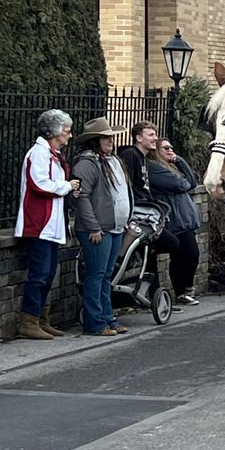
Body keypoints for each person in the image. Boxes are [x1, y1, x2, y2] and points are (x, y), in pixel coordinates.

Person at [14, 109, 81, 340]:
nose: (69, 135)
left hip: (51, 223)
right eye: (66, 131)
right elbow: (39, 184)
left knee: (49, 272)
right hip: (38, 223)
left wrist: (67, 186)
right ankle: (28, 319)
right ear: (54, 131)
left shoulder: (53, 155)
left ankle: (41, 318)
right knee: (39, 273)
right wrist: (66, 186)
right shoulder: (39, 154)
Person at [72, 118, 134, 336]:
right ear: (94, 141)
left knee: (106, 275)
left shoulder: (111, 161)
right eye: (105, 137)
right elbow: (82, 197)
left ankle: (107, 318)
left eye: (110, 136)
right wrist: (93, 227)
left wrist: (124, 218)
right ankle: (95, 323)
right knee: (96, 275)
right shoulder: (87, 164)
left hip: (114, 226)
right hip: (99, 228)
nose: (110, 140)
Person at [148, 137, 202, 307]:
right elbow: (181, 185)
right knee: (188, 254)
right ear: (157, 151)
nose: (170, 150)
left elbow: (191, 181)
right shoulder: (155, 169)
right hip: (174, 220)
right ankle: (182, 290)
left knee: (187, 256)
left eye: (171, 147)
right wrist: (183, 178)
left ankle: (183, 291)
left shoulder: (172, 165)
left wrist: (179, 160)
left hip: (185, 219)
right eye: (166, 148)